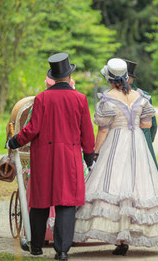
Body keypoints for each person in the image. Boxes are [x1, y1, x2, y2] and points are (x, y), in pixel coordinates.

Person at [73, 58, 158, 255]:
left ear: (110, 79)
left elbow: (103, 130)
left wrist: (95, 151)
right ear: (127, 77)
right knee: (138, 185)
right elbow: (146, 124)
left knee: (114, 182)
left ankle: (119, 237)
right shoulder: (140, 96)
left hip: (116, 142)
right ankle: (130, 233)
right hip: (137, 142)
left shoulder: (108, 98)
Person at [8, 53, 95, 260]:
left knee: (40, 201)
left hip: (44, 158)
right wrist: (89, 156)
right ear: (68, 76)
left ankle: (36, 246)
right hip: (70, 158)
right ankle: (62, 250)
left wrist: (14, 141)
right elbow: (87, 132)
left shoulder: (42, 98)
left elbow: (31, 129)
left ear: (53, 77)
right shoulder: (80, 99)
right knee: (66, 203)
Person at [124, 59, 158, 174]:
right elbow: (153, 125)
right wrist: (149, 140)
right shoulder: (145, 95)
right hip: (143, 138)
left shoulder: (113, 95)